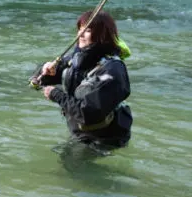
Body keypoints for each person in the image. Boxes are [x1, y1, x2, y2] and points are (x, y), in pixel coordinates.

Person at [33, 10, 132, 149]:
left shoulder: (111, 71)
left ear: (103, 35)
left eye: (88, 30)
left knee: (70, 165)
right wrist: (44, 71)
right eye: (80, 29)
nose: (81, 34)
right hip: (82, 133)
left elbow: (89, 113)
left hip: (105, 138)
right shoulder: (77, 58)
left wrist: (56, 95)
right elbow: (36, 81)